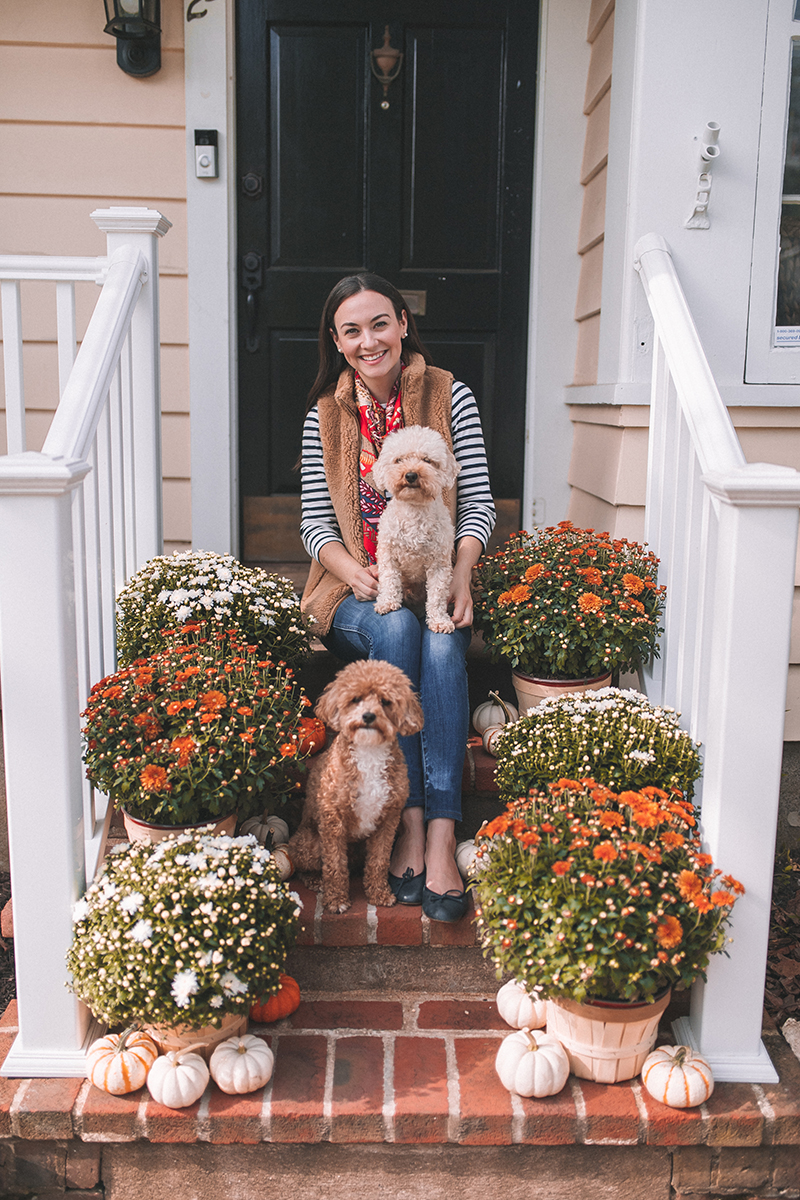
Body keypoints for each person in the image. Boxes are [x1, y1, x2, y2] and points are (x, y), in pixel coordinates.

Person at [299, 273, 495, 922]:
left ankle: (438, 833)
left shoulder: (448, 394)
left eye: (379, 323)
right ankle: (407, 822)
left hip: (440, 576)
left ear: (403, 323)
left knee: (439, 649)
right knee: (399, 635)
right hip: (357, 589)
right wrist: (349, 568)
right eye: (351, 330)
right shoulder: (325, 414)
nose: (368, 340)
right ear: (337, 340)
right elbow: (313, 524)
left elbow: (478, 505)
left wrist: (464, 573)